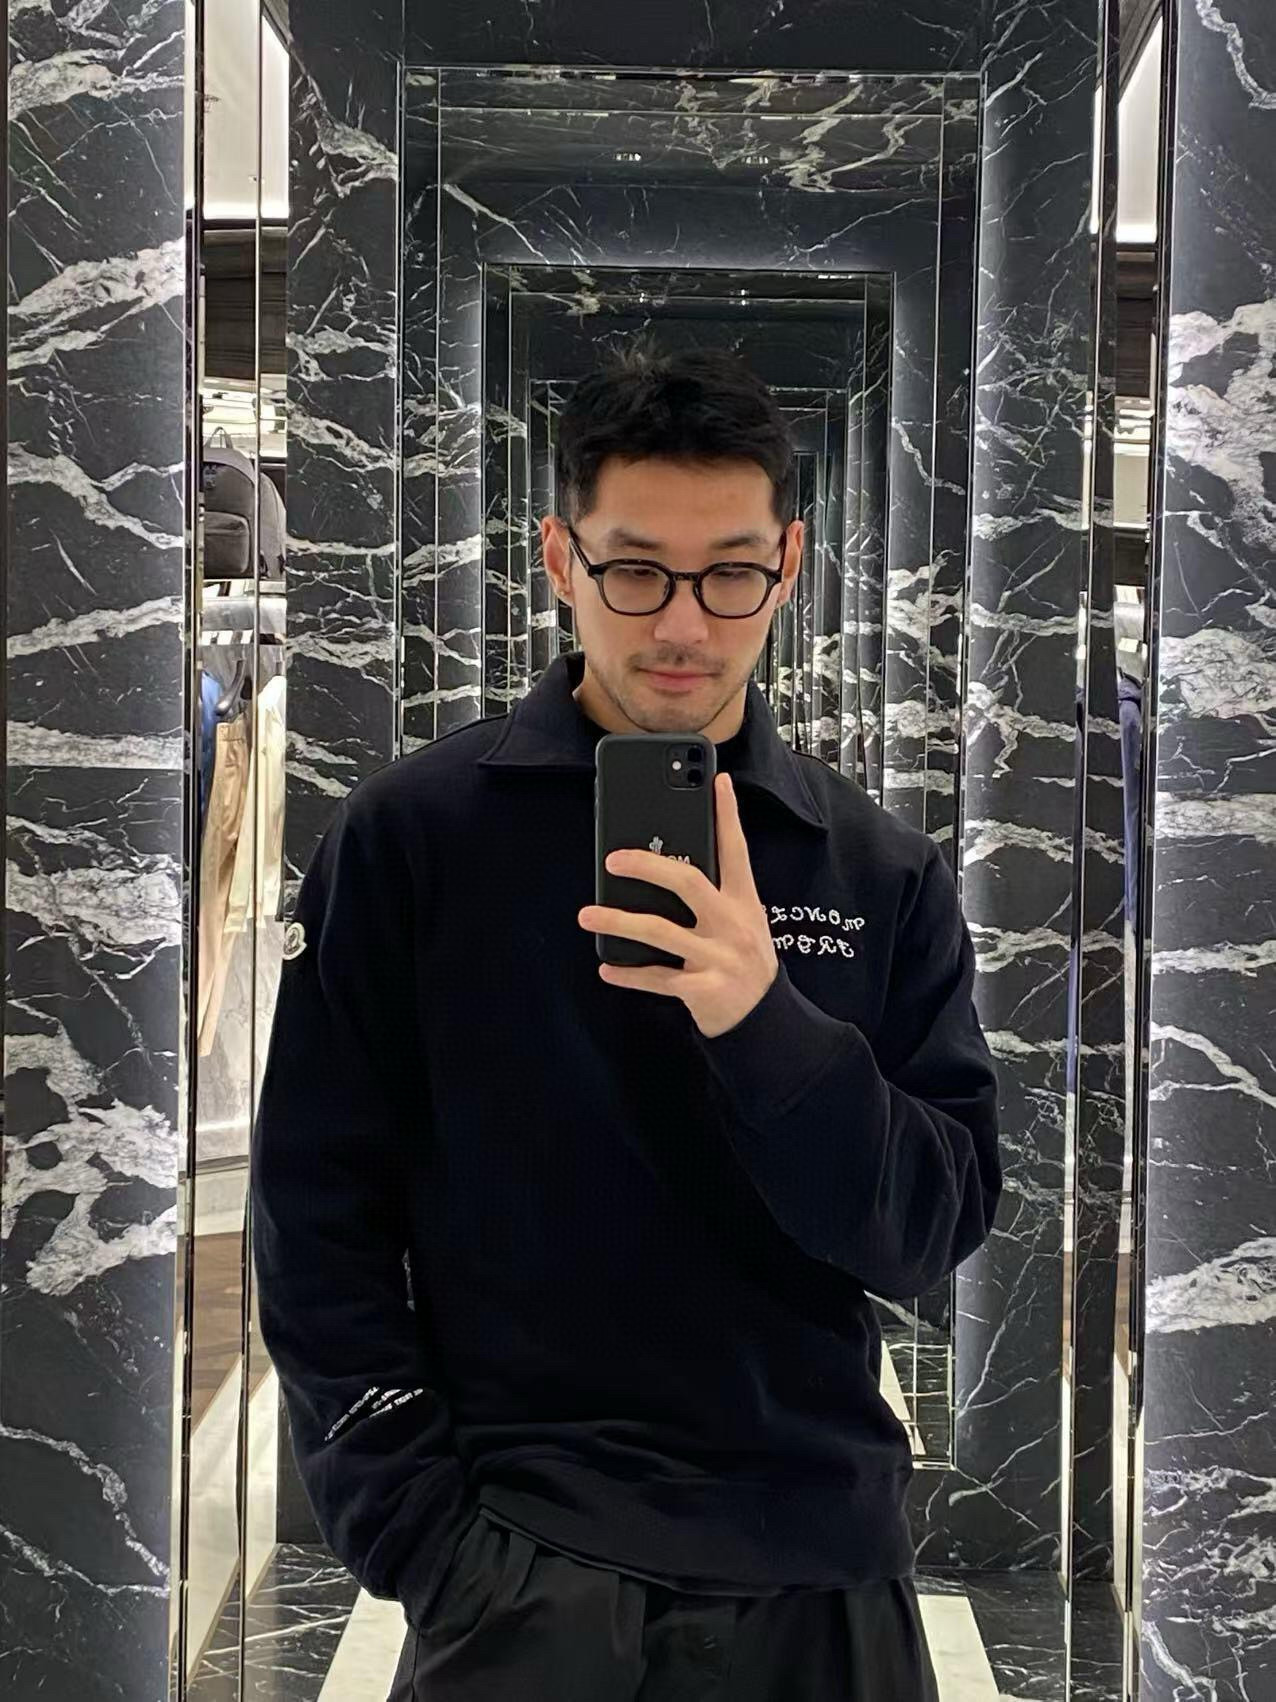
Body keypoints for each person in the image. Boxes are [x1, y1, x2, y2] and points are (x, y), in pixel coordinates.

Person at [250, 348, 1002, 1700]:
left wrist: (763, 1018)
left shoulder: (876, 868)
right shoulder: (413, 838)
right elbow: (316, 1214)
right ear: (561, 559)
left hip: (823, 1572)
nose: (683, 626)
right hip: (522, 1565)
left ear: (789, 565)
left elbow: (927, 1229)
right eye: (637, 571)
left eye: (730, 574)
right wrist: (417, 1531)